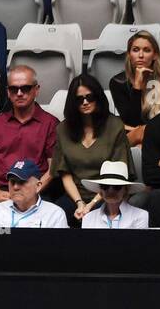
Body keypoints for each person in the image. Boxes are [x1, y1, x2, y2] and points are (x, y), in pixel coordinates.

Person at [0, 66, 59, 226]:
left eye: (25, 88)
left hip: (36, 194)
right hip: (1, 193)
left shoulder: (50, 123)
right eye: (13, 89)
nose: (19, 93)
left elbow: (53, 169)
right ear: (8, 91)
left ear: (36, 90)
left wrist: (30, 192)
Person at [54, 75, 133, 225]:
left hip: (109, 192)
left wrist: (91, 204)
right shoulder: (63, 129)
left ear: (98, 97)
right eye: (79, 99)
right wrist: (79, 203)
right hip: (74, 195)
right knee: (57, 214)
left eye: (90, 97)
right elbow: (65, 174)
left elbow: (118, 174)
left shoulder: (115, 126)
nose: (85, 102)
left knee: (100, 215)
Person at [108, 30, 160, 148]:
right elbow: (132, 121)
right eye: (135, 50)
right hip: (133, 136)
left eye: (146, 50)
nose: (141, 55)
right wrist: (137, 86)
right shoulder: (118, 82)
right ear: (129, 55)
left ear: (155, 55)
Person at [0, 158, 67, 228]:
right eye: (12, 182)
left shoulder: (54, 214)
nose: (15, 187)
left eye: (22, 182)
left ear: (38, 186)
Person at [80, 160, 149, 229]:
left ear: (125, 190)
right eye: (105, 186)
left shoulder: (140, 216)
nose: (110, 191)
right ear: (100, 191)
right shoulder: (88, 218)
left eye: (117, 187)